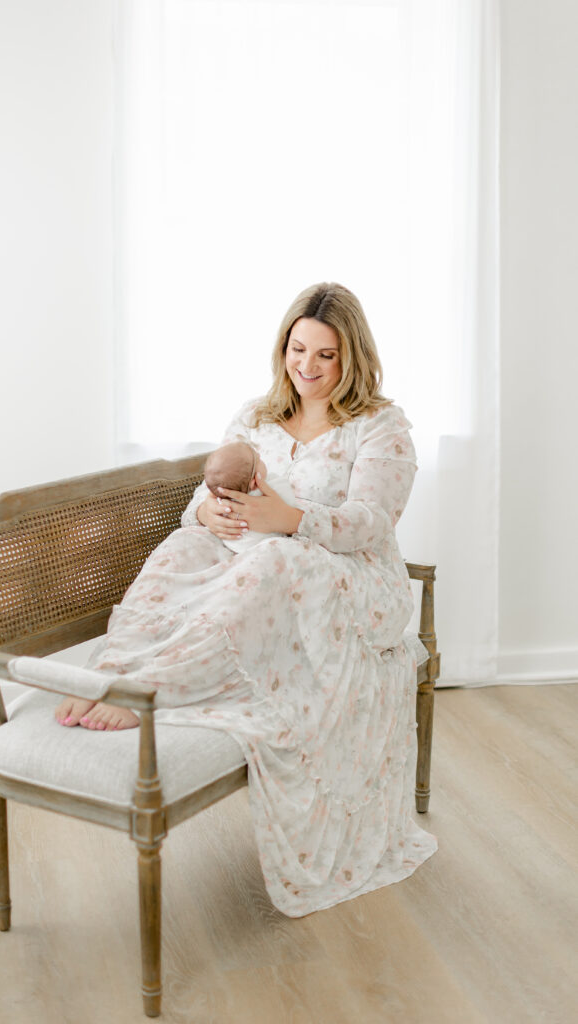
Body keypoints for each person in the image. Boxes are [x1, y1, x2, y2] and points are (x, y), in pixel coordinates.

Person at [54, 282, 438, 917]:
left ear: (353, 359)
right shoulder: (255, 417)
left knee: (274, 565)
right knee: (178, 554)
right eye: (298, 349)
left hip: (346, 572)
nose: (307, 368)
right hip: (251, 548)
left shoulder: (380, 426)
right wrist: (209, 512)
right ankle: (115, 672)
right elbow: (203, 499)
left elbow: (371, 522)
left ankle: (152, 690)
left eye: (326, 356)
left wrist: (287, 518)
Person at [203, 441, 296, 552]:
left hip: (232, 546)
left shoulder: (223, 495)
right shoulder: (275, 485)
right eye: (258, 459)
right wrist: (205, 512)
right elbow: (292, 504)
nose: (261, 457)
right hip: (266, 548)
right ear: (254, 483)